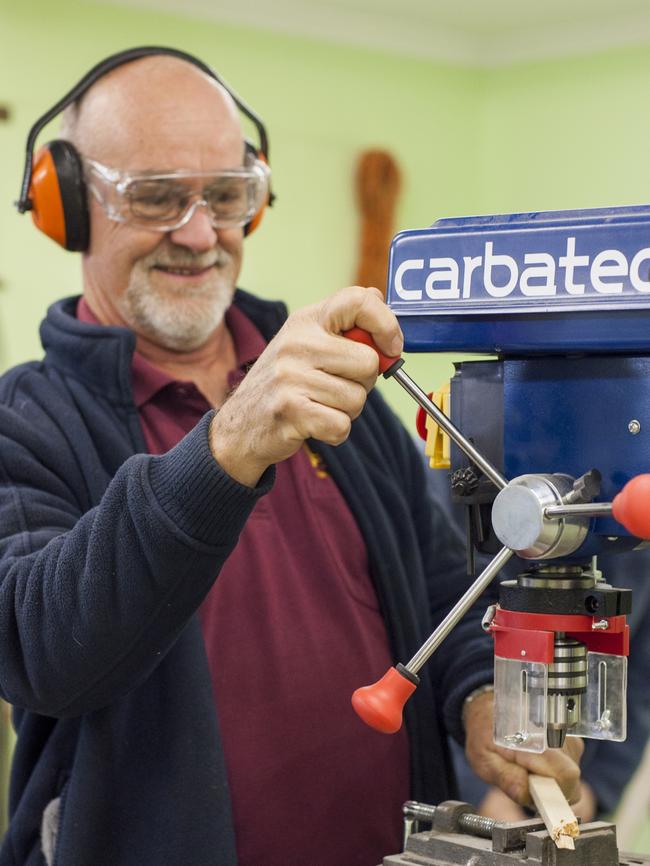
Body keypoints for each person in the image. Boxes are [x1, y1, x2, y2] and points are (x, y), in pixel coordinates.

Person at [0, 48, 582, 866]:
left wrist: (481, 697)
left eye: (228, 195)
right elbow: (38, 653)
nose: (201, 234)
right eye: (158, 197)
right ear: (69, 205)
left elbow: (443, 591)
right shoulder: (24, 421)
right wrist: (227, 447)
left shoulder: (327, 380)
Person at [421, 452, 650, 825]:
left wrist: (596, 789)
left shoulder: (637, 508)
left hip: (576, 779)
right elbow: (443, 638)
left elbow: (640, 678)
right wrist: (476, 794)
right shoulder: (456, 487)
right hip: (462, 777)